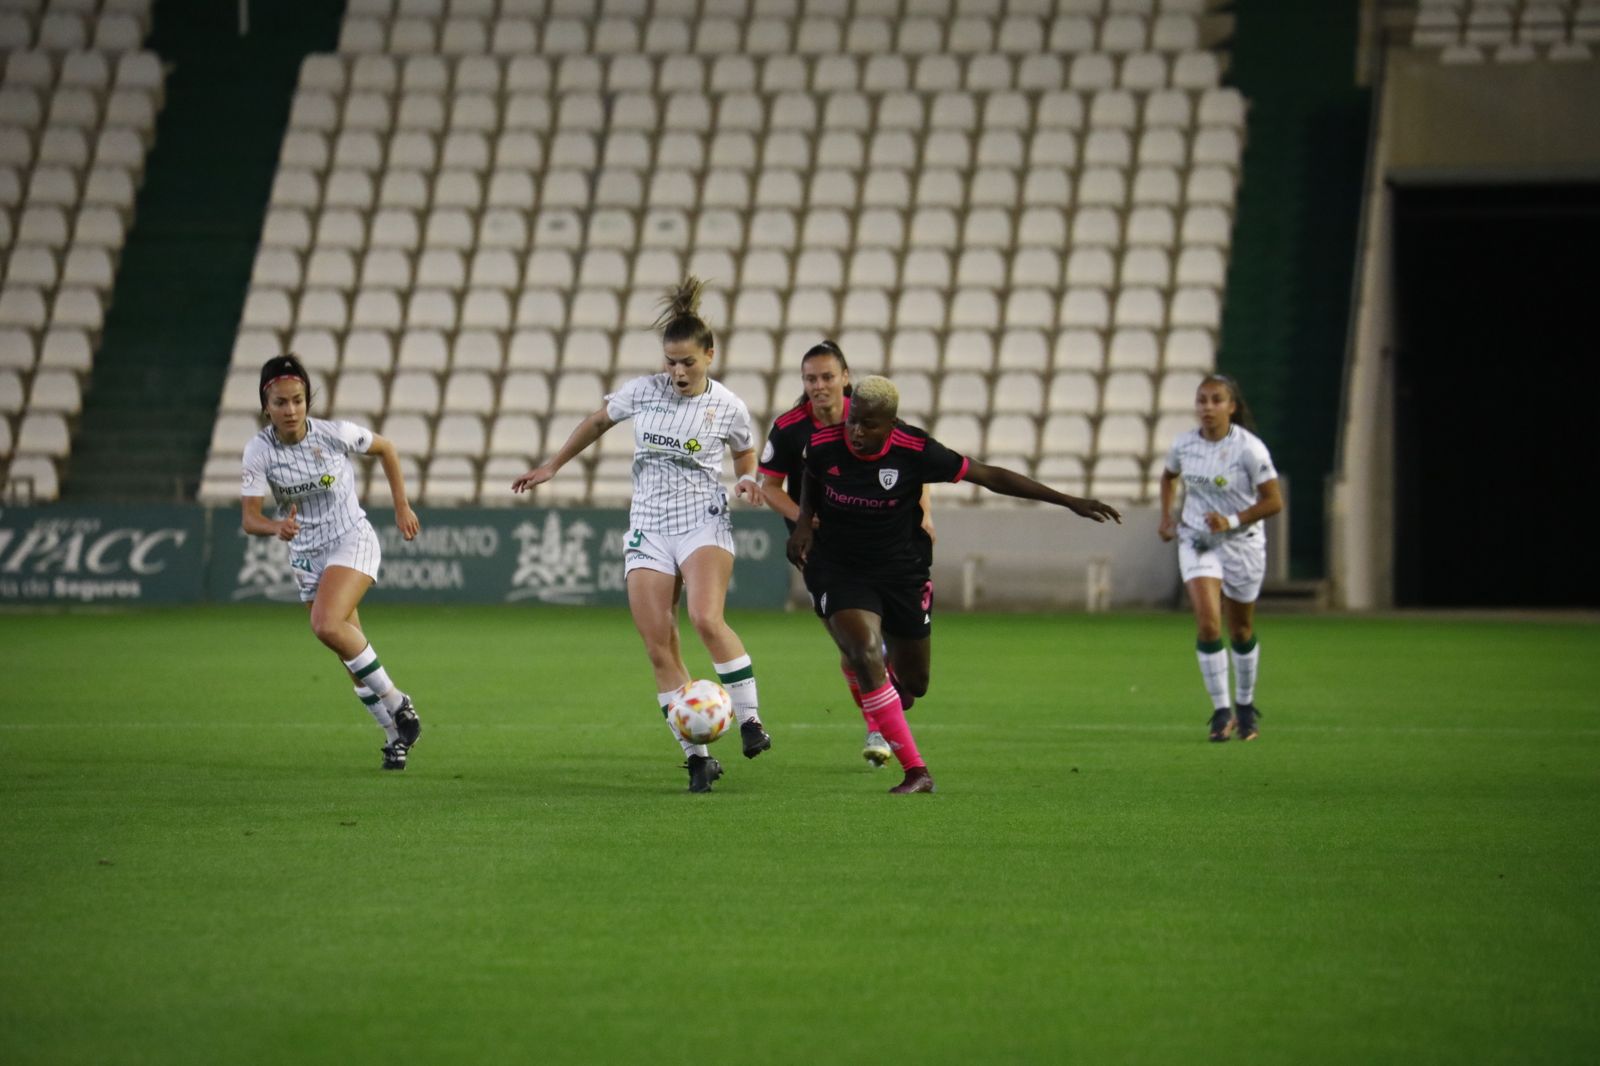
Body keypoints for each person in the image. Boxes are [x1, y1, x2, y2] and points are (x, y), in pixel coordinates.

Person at [786, 375, 1122, 794]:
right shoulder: (823, 444)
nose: (856, 431)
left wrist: (1069, 500)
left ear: (891, 424)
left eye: (868, 425)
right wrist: (803, 523)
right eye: (853, 419)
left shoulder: (917, 450)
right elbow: (811, 478)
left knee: (915, 684)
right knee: (862, 650)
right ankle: (916, 771)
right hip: (839, 567)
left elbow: (989, 475)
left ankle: (887, 689)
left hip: (900, 570)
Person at [511, 277, 771, 793]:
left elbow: (745, 449)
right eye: (670, 361)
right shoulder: (643, 391)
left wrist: (747, 478)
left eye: (687, 362)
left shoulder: (728, 405)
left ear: (710, 357)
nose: (676, 371)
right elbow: (596, 422)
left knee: (703, 617)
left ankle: (749, 720)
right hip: (648, 527)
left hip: (702, 521)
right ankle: (696, 756)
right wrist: (553, 465)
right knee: (658, 644)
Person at [756, 340, 935, 769]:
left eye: (827, 377)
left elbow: (914, 458)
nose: (818, 386)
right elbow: (769, 486)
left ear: (845, 377)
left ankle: (882, 704)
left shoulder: (869, 412)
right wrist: (806, 519)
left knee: (877, 658)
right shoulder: (790, 428)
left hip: (878, 541)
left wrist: (925, 513)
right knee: (851, 645)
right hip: (821, 549)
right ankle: (878, 720)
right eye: (810, 379)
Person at [240, 354, 424, 770]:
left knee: (325, 623)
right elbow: (250, 519)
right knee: (344, 646)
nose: (291, 410)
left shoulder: (335, 434)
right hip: (306, 553)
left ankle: (399, 703)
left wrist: (401, 506)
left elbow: (387, 449)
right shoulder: (259, 451)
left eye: (298, 400)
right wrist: (275, 528)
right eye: (281, 402)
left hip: (350, 538)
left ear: (308, 400)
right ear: (266, 406)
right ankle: (394, 734)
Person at [1158, 373, 1284, 742]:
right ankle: (1220, 711)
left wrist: (1230, 520)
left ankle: (1245, 705)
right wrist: (1168, 517)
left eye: (1216, 400)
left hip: (1242, 543)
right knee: (1209, 624)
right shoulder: (1183, 445)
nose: (1207, 407)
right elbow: (1168, 477)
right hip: (1197, 540)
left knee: (1241, 629)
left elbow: (1274, 502)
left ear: (1232, 406)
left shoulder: (1249, 448)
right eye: (1202, 400)